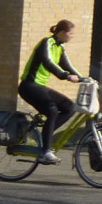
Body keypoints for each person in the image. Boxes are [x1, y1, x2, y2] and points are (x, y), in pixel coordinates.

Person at [19, 19, 82, 165]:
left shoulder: (60, 48)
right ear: (62, 32)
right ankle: (45, 152)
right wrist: (65, 76)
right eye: (71, 33)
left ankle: (43, 138)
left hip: (40, 87)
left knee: (69, 107)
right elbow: (48, 62)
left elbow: (67, 65)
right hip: (29, 86)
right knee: (52, 111)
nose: (72, 36)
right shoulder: (47, 43)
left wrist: (83, 78)